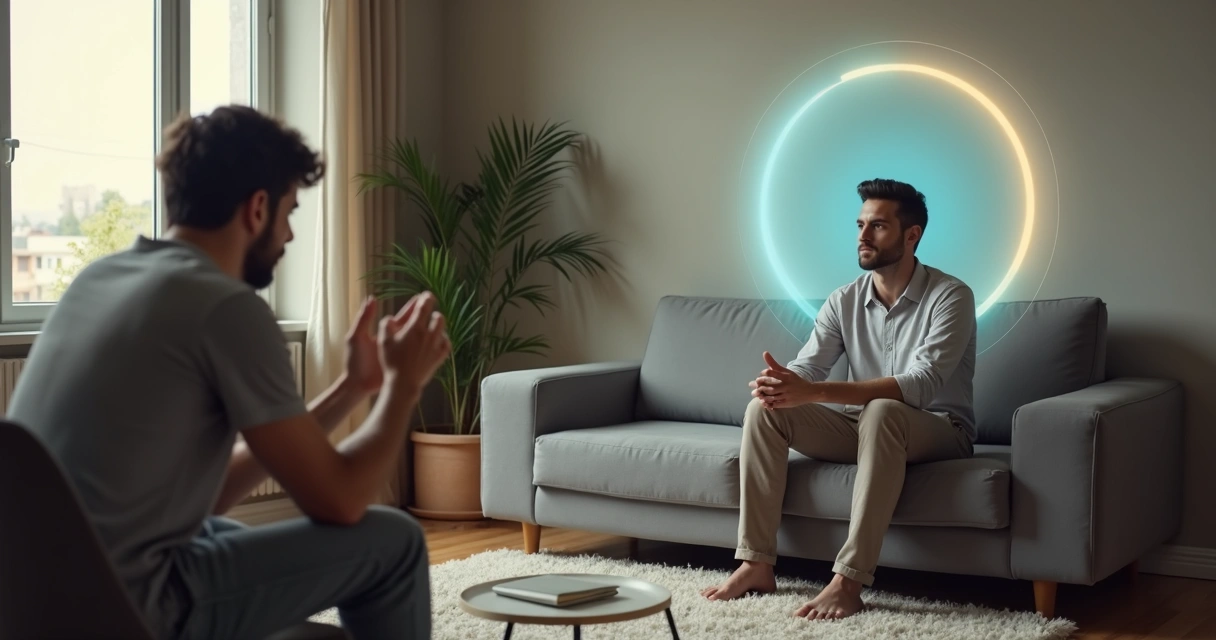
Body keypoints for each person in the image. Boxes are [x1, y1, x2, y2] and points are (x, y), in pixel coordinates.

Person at [8, 105, 450, 640]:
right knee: (395, 541)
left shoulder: (98, 279)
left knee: (220, 530)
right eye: (289, 211)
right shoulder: (224, 307)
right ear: (257, 208)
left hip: (34, 604)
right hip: (129, 609)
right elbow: (341, 501)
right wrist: (403, 386)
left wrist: (353, 389)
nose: (289, 235)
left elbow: (203, 497)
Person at [701, 178, 977, 620]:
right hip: (864, 428)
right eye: (860, 225)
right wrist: (781, 384)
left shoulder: (951, 296)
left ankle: (848, 581)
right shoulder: (843, 299)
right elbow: (809, 368)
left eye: (878, 226)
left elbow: (921, 384)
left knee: (884, 410)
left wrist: (815, 392)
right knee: (764, 411)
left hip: (940, 430)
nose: (863, 236)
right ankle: (755, 564)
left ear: (912, 235)